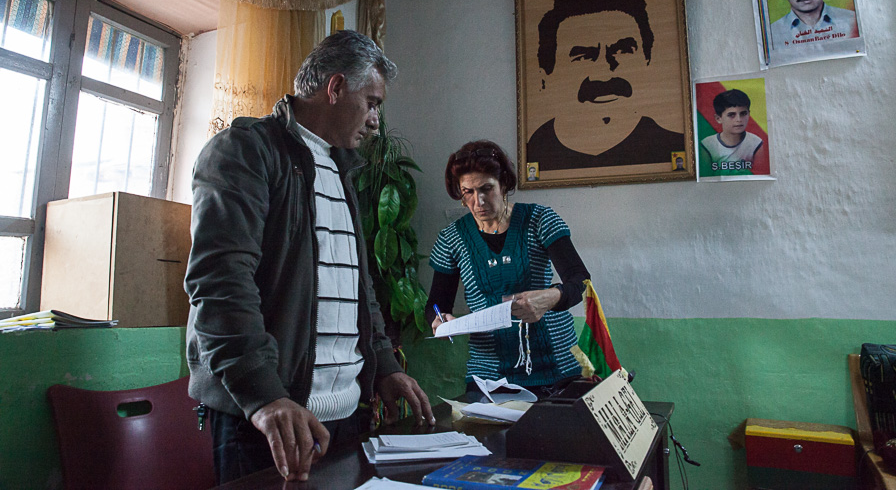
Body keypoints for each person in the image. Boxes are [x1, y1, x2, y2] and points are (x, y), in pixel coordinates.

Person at [184, 30, 433, 485]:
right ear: (335, 88)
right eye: (372, 102)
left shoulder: (341, 168)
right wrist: (264, 397)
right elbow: (220, 283)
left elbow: (359, 290)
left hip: (344, 418)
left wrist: (386, 367)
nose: (376, 120)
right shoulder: (244, 152)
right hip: (268, 420)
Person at [426, 140, 592, 394]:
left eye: (486, 189)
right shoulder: (452, 239)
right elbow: (436, 305)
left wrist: (551, 296)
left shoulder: (539, 220)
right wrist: (439, 319)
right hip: (489, 374)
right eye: (467, 192)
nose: (478, 201)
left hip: (558, 367)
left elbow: (579, 280)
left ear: (504, 184)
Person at [526, 0, 683, 171]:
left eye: (622, 51)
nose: (604, 71)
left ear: (647, 61)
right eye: (583, 56)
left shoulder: (672, 147)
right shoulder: (528, 158)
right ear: (545, 77)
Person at [700, 89, 763, 173]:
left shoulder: (756, 143)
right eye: (731, 115)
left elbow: (760, 174)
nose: (739, 119)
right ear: (718, 118)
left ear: (749, 114)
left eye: (743, 114)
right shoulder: (707, 145)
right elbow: (705, 175)